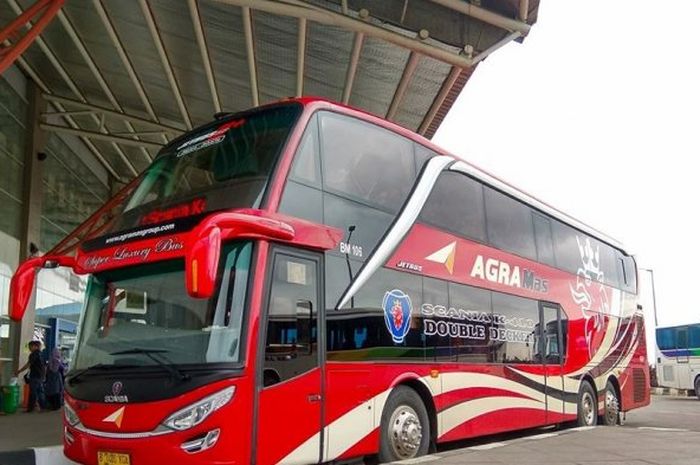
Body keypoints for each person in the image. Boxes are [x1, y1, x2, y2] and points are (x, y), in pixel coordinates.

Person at [15, 340, 47, 412]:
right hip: (40, 376)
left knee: (33, 392)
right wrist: (44, 375)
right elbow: (45, 366)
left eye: (30, 347)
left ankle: (30, 408)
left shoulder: (33, 354)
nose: (29, 348)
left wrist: (19, 371)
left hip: (35, 375)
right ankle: (43, 407)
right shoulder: (41, 354)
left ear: (34, 346)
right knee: (40, 391)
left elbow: (28, 364)